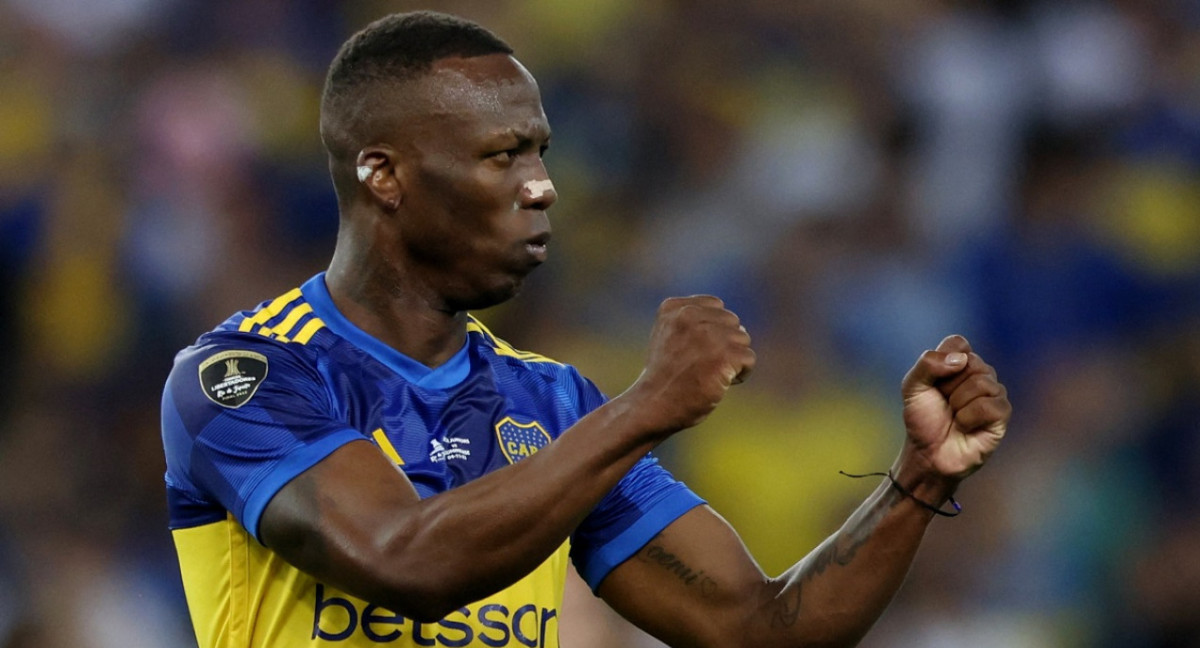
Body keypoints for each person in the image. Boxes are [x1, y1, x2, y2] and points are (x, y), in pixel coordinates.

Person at [160, 11, 1010, 648]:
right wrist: (646, 407)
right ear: (384, 173)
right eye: (504, 156)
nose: (542, 187)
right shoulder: (246, 377)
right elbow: (406, 560)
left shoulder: (554, 402)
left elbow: (763, 630)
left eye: (541, 153)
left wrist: (918, 480)